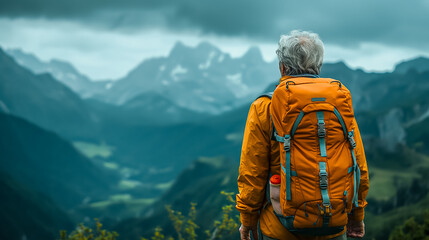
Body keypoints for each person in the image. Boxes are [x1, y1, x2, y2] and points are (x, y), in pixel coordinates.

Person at [236, 30, 369, 240]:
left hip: (280, 228)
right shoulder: (339, 105)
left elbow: (252, 173)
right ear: (319, 66)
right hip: (333, 226)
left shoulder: (264, 107)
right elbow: (358, 165)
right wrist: (356, 216)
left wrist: (247, 221)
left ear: (282, 67)